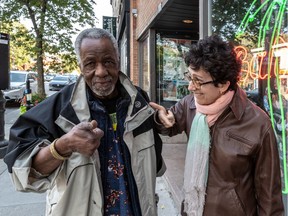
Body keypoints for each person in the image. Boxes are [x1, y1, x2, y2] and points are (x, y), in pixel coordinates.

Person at [4, 28, 165, 216]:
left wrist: (164, 124)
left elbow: (154, 164)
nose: (101, 71)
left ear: (118, 60)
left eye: (108, 61)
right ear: (80, 65)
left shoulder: (139, 101)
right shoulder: (60, 108)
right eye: (90, 63)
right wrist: (63, 146)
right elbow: (24, 173)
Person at [150, 35, 284, 215]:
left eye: (198, 80)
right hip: (192, 209)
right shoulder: (190, 104)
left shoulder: (258, 123)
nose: (190, 86)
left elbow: (270, 199)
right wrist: (161, 119)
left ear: (223, 85)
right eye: (190, 76)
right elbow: (170, 123)